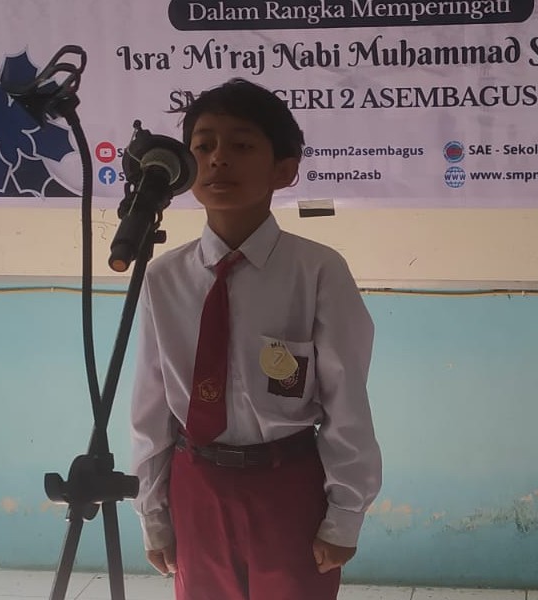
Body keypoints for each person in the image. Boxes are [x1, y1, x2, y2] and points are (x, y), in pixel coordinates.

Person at [129, 78, 382, 600]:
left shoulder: (316, 271)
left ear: (283, 170)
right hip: (195, 482)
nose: (218, 159)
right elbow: (150, 407)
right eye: (203, 146)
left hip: (287, 484)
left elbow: (347, 400)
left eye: (242, 145)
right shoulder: (162, 277)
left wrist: (345, 513)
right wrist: (153, 512)